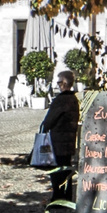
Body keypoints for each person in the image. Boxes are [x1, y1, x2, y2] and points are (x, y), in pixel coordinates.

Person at [39, 70, 80, 204]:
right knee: (66, 169)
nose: (57, 85)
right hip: (69, 140)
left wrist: (44, 128)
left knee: (56, 170)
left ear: (64, 83)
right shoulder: (74, 99)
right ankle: (67, 197)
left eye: (58, 82)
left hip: (58, 140)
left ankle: (58, 197)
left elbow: (49, 120)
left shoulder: (61, 100)